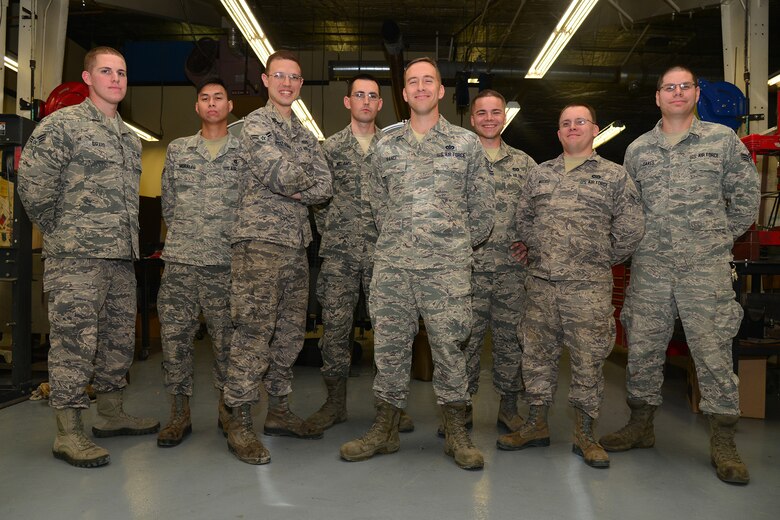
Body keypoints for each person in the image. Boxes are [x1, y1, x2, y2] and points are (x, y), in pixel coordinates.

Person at [599, 66, 760, 484]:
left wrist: (715, 240)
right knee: (644, 348)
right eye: (667, 87)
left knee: (713, 354)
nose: (676, 93)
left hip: (703, 269)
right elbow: (630, 210)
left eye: (683, 86)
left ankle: (723, 440)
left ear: (694, 93)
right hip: (650, 267)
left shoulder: (722, 141)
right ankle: (641, 425)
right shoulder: (638, 150)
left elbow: (745, 199)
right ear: (657, 97)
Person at [340, 57, 495, 470]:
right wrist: (400, 242)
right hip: (394, 269)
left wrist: (452, 246)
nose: (422, 88)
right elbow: (375, 206)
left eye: (429, 81)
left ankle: (456, 432)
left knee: (451, 350)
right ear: (405, 94)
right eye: (413, 82)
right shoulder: (385, 147)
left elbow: (482, 213)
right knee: (389, 351)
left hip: (447, 271)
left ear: (441, 91)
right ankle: (385, 429)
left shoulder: (465, 145)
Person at [18, 46, 159, 468]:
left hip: (119, 257)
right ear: (88, 78)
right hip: (76, 258)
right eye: (106, 71)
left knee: (117, 340)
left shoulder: (129, 139)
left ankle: (111, 415)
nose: (116, 78)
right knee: (74, 343)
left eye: (122, 72)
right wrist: (62, 231)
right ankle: (68, 432)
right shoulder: (64, 125)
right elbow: (33, 185)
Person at [496, 103, 644, 469]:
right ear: (559, 133)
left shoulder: (615, 177)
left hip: (588, 289)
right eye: (566, 123)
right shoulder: (540, 175)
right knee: (536, 358)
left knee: (588, 361)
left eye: (580, 122)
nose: (573, 128)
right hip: (541, 286)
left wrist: (597, 256)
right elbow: (523, 218)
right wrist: (540, 250)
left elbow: (631, 228)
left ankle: (585, 433)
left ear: (594, 129)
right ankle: (535, 425)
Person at [223, 50, 332, 465]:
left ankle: (280, 412)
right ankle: (240, 421)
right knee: (252, 334)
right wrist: (300, 183)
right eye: (279, 76)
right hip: (257, 244)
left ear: (301, 85)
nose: (287, 83)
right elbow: (281, 175)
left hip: (295, 246)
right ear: (266, 81)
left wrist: (297, 184)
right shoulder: (255, 126)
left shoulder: (304, 135)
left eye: (295, 77)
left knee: (288, 336)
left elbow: (326, 187)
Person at [308, 74, 414, 433]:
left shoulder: (396, 147)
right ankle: (335, 403)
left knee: (389, 332)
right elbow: (319, 203)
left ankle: (389, 407)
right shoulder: (330, 149)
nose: (366, 101)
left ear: (380, 104)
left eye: (372, 96)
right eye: (359, 95)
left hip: (386, 255)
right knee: (335, 330)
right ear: (347, 102)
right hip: (340, 255)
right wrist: (337, 232)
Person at [156, 78, 242, 447]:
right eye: (204, 98)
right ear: (196, 107)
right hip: (181, 263)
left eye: (218, 98)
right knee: (175, 340)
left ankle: (227, 411)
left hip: (227, 264)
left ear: (229, 106)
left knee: (228, 343)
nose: (211, 104)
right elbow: (169, 204)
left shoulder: (244, 152)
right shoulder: (178, 150)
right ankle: (179, 415)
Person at [454, 89, 537, 434]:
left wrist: (532, 244)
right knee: (464, 341)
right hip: (467, 269)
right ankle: (461, 408)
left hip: (510, 272)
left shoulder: (525, 164)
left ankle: (508, 407)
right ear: (472, 119)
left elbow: (538, 213)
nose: (489, 118)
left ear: (505, 116)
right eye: (482, 113)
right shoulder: (456, 159)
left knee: (510, 342)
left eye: (496, 112)